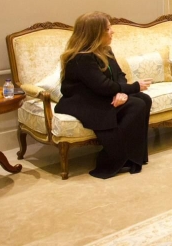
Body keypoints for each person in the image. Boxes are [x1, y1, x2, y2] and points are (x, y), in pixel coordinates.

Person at [55, 12, 152, 179]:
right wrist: (134, 87)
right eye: (107, 29)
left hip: (102, 95)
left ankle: (132, 156)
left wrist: (121, 92)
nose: (112, 31)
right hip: (83, 101)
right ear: (94, 33)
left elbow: (119, 75)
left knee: (144, 99)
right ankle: (114, 157)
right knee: (136, 104)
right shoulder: (81, 58)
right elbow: (102, 86)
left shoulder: (105, 50)